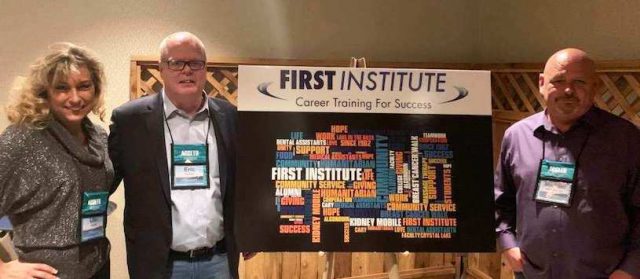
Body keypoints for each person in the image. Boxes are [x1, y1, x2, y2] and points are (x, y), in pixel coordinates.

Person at [495, 48, 640, 279]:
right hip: (531, 273)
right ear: (542, 83)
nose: (568, 90)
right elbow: (502, 200)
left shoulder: (626, 139)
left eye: (579, 82)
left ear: (595, 86)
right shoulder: (516, 136)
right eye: (559, 80)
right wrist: (508, 244)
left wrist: (630, 269)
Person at [109, 32, 239, 278]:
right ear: (161, 68)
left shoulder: (229, 116)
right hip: (160, 265)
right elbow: (102, 184)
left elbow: (243, 180)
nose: (186, 70)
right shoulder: (129, 121)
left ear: (205, 68)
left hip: (218, 261)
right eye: (176, 63)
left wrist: (249, 230)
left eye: (195, 63)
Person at [0, 43, 113, 279]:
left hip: (97, 265)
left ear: (95, 89)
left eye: (84, 86)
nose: (75, 98)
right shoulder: (23, 139)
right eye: (62, 88)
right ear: (45, 92)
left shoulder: (99, 137)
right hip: (48, 273)